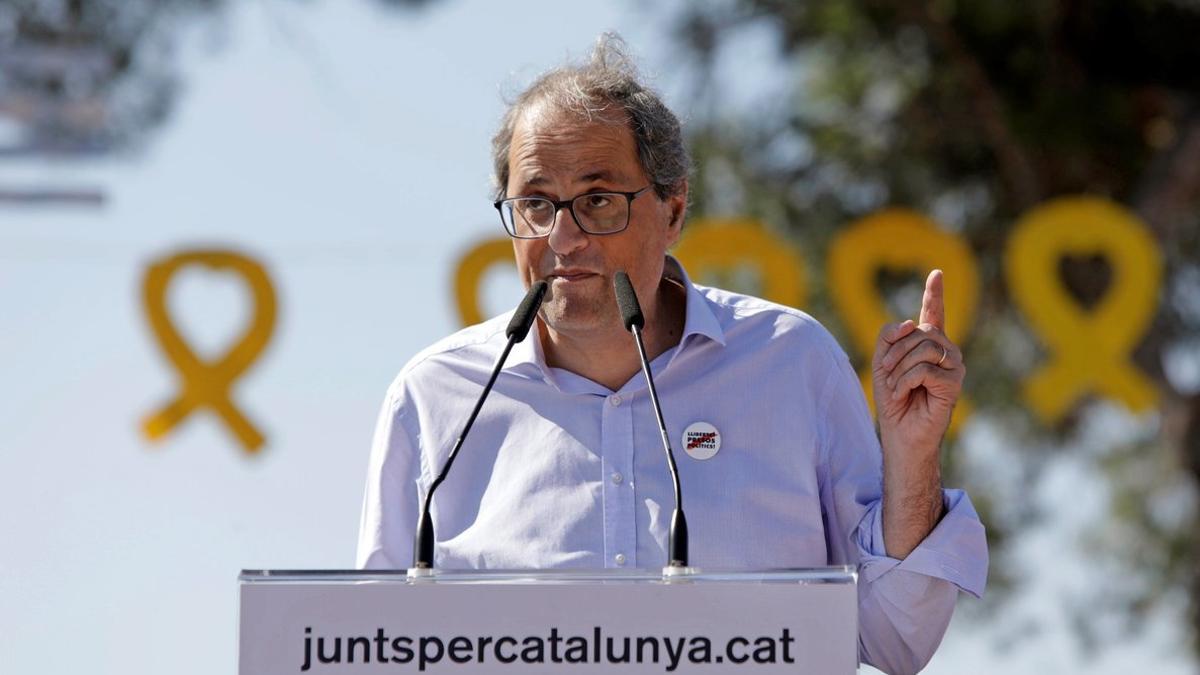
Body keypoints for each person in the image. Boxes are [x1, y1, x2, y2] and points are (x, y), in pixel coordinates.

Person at [357, 34, 987, 674]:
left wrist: (912, 460)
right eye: (537, 205)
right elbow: (372, 650)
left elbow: (894, 638)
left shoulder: (791, 362)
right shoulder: (436, 397)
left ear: (674, 209)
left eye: (598, 201)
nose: (563, 238)